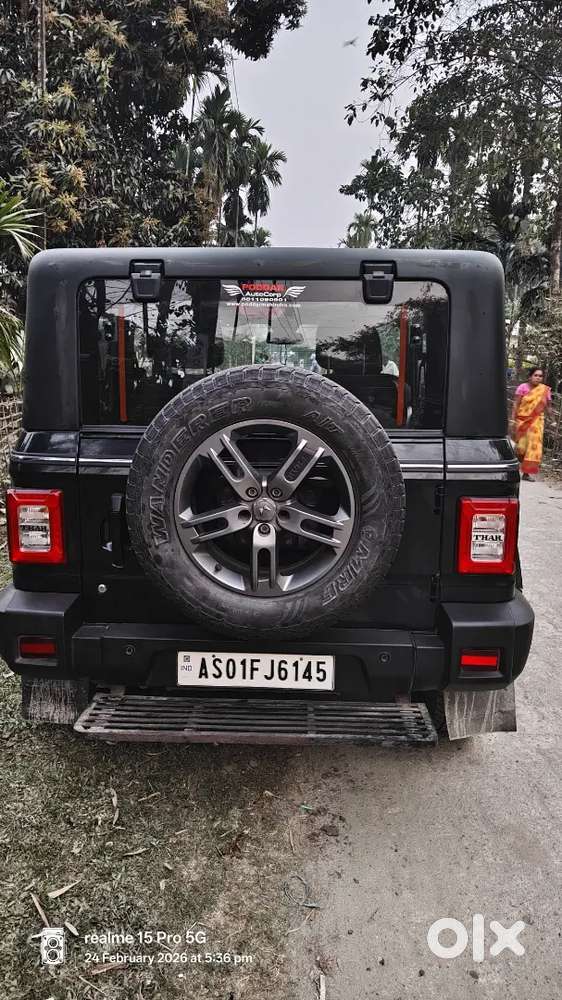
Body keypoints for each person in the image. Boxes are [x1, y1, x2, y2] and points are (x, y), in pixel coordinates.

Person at [510, 366, 553, 480]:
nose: (538, 378)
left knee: (533, 448)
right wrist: (513, 420)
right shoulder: (522, 388)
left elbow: (548, 407)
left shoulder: (544, 390)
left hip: (537, 422)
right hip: (522, 420)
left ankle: (526, 473)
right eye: (536, 375)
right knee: (521, 448)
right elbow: (516, 404)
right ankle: (516, 466)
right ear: (530, 377)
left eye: (540, 376)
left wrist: (552, 419)